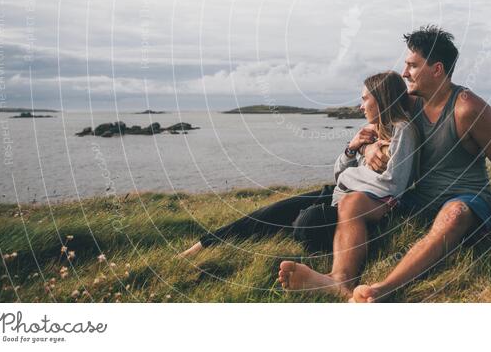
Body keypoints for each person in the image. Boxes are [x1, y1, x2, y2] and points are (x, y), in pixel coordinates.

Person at [350, 25, 491, 303]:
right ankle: (338, 279)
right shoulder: (410, 103)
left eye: (412, 65)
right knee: (356, 202)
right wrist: (369, 145)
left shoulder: (468, 109)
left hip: (465, 196)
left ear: (436, 69)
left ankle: (382, 289)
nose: (404, 73)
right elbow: (376, 126)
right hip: (418, 197)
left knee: (454, 215)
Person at [177, 72, 418, 290]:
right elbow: (338, 173)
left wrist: (350, 175)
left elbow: (392, 183)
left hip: (361, 205)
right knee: (273, 211)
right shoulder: (372, 130)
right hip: (338, 193)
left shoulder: (402, 130)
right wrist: (353, 148)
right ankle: (205, 244)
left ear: (382, 98)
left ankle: (322, 263)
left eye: (365, 99)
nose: (360, 105)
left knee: (306, 221)